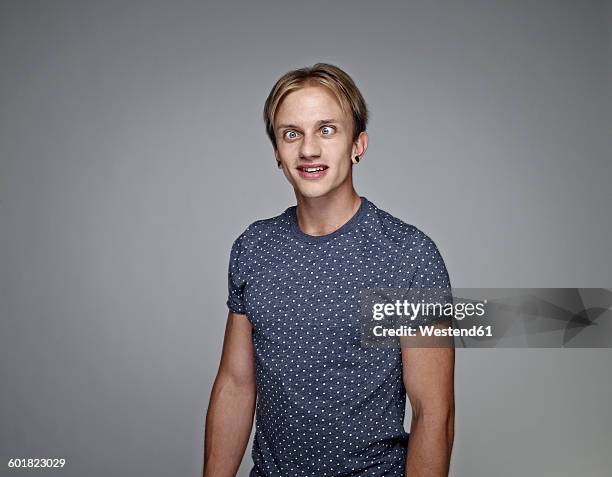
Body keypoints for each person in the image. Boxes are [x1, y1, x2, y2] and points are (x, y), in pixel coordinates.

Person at [203, 63, 455, 477]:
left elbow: (434, 414)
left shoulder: (409, 255)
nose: (308, 149)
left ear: (358, 144)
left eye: (326, 130)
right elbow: (235, 384)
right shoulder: (253, 247)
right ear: (277, 153)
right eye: (291, 133)